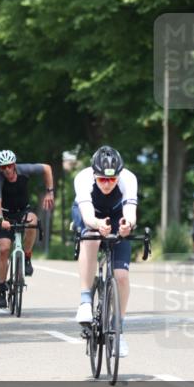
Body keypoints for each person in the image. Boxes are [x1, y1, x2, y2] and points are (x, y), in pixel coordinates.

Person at [73, 146, 138, 358]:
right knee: (90, 237)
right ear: (94, 175)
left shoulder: (129, 179)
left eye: (112, 180)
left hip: (117, 212)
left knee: (121, 276)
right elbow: (87, 215)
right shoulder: (83, 179)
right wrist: (97, 224)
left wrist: (127, 225)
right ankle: (85, 301)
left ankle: (117, 330)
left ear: (119, 175)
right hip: (91, 214)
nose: (108, 184)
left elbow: (130, 212)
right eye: (102, 180)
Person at [0, 150, 54, 308]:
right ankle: (1, 288)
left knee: (32, 221)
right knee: (4, 249)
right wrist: (0, 219)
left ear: (14, 164)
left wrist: (49, 192)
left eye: (9, 165)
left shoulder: (24, 170)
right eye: (3, 167)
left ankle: (27, 257)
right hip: (5, 215)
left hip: (23, 210)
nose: (7, 169)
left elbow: (47, 168)